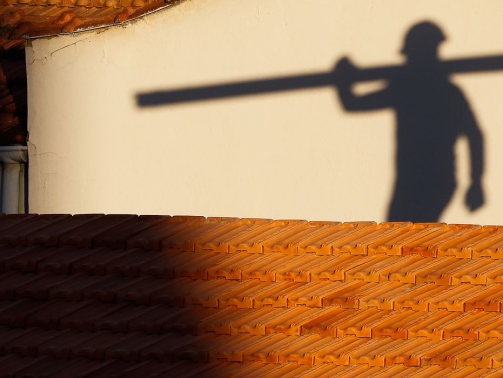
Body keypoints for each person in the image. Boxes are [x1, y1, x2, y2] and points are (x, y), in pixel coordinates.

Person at [334, 21, 485, 222]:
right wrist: (475, 182)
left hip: (426, 182)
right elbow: (475, 136)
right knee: (402, 244)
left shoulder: (411, 88)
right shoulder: (423, 88)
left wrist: (342, 80)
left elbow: (474, 136)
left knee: (399, 242)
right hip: (426, 181)